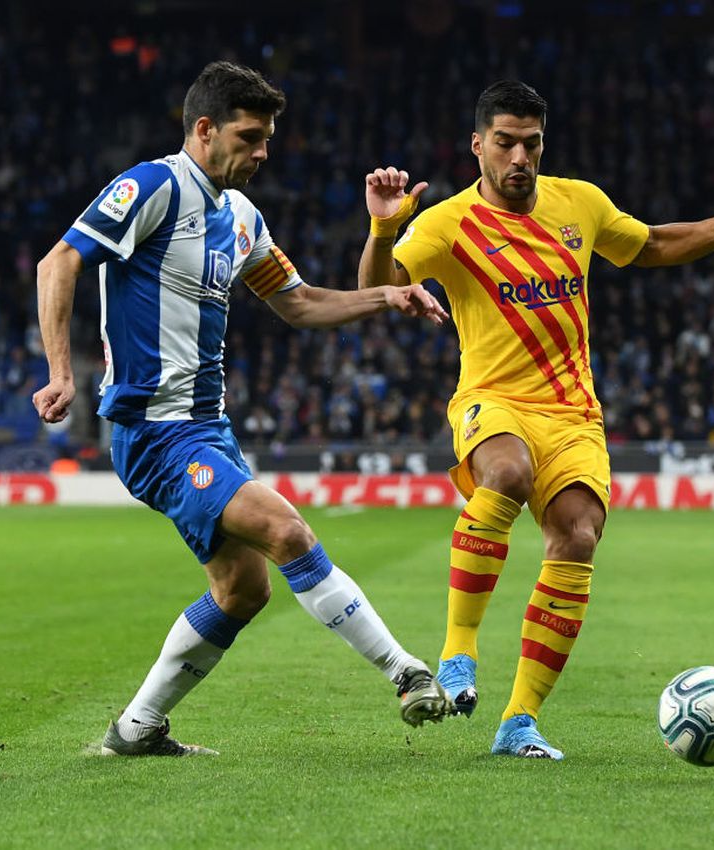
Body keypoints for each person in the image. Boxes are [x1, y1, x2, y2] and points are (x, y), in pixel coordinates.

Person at [32, 61, 453, 757]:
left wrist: (385, 295)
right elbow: (59, 264)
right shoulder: (152, 187)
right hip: (154, 431)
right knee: (285, 530)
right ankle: (404, 671)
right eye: (250, 136)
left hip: (208, 430)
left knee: (242, 589)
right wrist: (59, 372)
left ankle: (136, 730)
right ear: (204, 129)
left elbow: (299, 302)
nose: (263, 153)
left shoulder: (241, 217)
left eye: (268, 139)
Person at [358, 80, 714, 759]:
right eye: (505, 143)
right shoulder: (446, 223)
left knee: (578, 536)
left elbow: (651, 246)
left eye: (531, 143)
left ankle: (518, 721)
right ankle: (458, 650)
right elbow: (372, 287)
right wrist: (382, 227)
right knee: (506, 471)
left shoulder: (579, 203)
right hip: (491, 399)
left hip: (573, 412)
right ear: (478, 146)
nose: (519, 156)